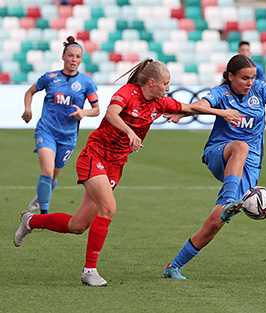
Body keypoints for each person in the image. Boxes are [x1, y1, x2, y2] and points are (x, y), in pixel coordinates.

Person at [14, 58, 241, 286]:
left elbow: (190, 107)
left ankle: (31, 221)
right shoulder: (128, 92)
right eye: (166, 83)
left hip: (115, 164)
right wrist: (130, 131)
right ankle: (89, 270)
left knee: (78, 225)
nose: (168, 88)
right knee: (109, 208)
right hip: (94, 155)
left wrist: (221, 113)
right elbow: (111, 114)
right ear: (151, 82)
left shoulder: (160, 102)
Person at [162, 54, 266, 280]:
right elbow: (200, 105)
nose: (249, 82)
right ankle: (232, 198)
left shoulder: (261, 90)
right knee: (241, 146)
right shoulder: (221, 93)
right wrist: (186, 112)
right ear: (230, 76)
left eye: (251, 78)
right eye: (244, 78)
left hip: (249, 166)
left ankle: (173, 266)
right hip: (219, 153)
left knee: (215, 222)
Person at [22, 36, 100, 214]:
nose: (74, 60)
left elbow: (96, 109)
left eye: (77, 57)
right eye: (70, 55)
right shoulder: (50, 78)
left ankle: (43, 195)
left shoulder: (86, 83)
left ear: (81, 60)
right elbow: (30, 92)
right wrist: (28, 109)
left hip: (68, 137)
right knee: (47, 171)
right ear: (63, 56)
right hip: (47, 130)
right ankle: (43, 215)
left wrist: (84, 112)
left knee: (52, 177)